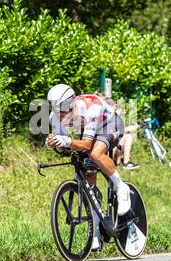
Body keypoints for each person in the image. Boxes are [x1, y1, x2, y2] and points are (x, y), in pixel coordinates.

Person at [45, 84, 131, 250]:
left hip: (110, 124)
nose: (58, 112)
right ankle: (96, 234)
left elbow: (85, 145)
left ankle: (122, 187)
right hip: (89, 129)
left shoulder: (91, 108)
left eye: (61, 107)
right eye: (54, 107)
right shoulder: (54, 117)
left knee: (95, 153)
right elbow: (64, 148)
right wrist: (55, 144)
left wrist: (67, 141)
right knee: (89, 178)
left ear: (70, 103)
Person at [105, 98, 140, 170]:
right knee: (126, 137)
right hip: (105, 149)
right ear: (111, 107)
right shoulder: (108, 117)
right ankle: (125, 163)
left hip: (108, 147)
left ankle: (120, 162)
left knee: (126, 136)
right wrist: (128, 129)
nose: (116, 107)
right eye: (115, 106)